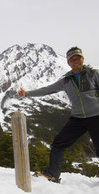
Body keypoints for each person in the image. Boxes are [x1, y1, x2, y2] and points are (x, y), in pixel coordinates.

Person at [18, 47, 99, 183]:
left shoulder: (93, 74)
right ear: (68, 63)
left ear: (82, 59)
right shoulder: (66, 80)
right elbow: (47, 90)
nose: (75, 61)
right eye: (72, 59)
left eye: (77, 58)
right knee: (58, 143)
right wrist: (27, 94)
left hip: (96, 116)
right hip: (77, 118)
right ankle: (53, 174)